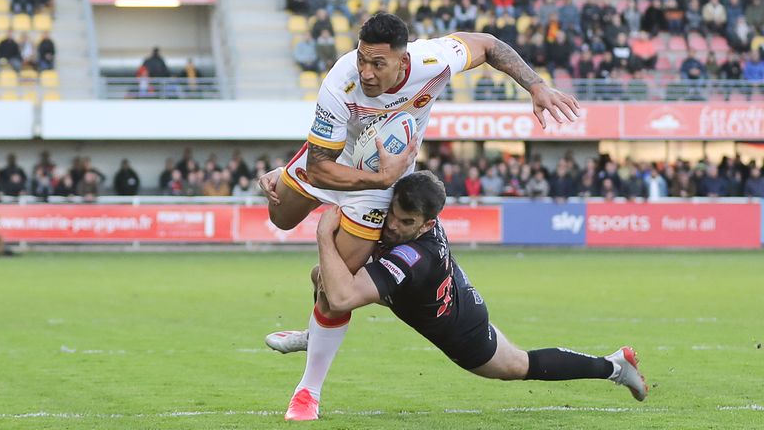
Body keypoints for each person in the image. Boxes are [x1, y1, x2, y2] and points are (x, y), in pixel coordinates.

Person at [258, 12, 579, 421]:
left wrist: (536, 85)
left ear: (403, 59)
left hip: (381, 182)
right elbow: (322, 167)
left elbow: (488, 44)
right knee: (281, 218)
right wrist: (372, 173)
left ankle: (308, 391)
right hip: (340, 160)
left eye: (378, 64)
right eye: (362, 60)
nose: (367, 73)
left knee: (335, 289)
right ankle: (316, 330)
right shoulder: (342, 81)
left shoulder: (433, 60)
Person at [267, 172, 648, 420]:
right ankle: (312, 337)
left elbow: (345, 297)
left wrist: (321, 235)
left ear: (428, 224)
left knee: (519, 366)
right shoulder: (406, 212)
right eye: (393, 216)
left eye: (406, 223)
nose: (394, 227)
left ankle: (614, 367)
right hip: (432, 296)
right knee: (323, 277)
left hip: (461, 328)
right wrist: (287, 179)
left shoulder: (414, 254)